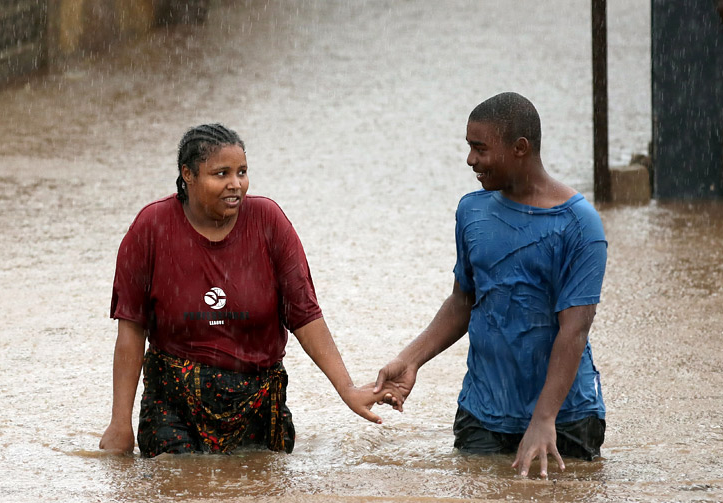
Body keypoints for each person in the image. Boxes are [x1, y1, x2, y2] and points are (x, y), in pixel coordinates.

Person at [100, 124, 398, 457]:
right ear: (188, 174)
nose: (235, 184)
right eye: (221, 173)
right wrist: (119, 423)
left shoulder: (268, 222)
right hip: (173, 408)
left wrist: (348, 389)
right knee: (176, 490)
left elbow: (305, 315)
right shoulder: (152, 228)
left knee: (260, 499)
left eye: (242, 172)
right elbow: (130, 331)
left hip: (258, 405)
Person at [374, 93, 608, 478]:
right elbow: (464, 300)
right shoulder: (472, 210)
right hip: (482, 413)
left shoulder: (580, 225)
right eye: (469, 147)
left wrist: (543, 418)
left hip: (566, 418)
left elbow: (575, 328)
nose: (470, 160)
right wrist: (411, 359)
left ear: (520, 148)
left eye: (480, 148)